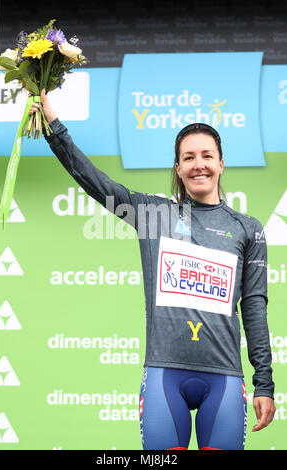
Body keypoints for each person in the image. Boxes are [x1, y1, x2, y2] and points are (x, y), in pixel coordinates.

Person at [30, 90, 275, 450]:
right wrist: (53, 126)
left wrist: (264, 383)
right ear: (178, 168)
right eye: (188, 158)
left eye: (207, 155)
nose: (199, 165)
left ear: (221, 163)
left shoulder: (247, 228)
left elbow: (254, 309)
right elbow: (94, 182)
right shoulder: (153, 215)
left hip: (224, 377)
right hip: (165, 376)